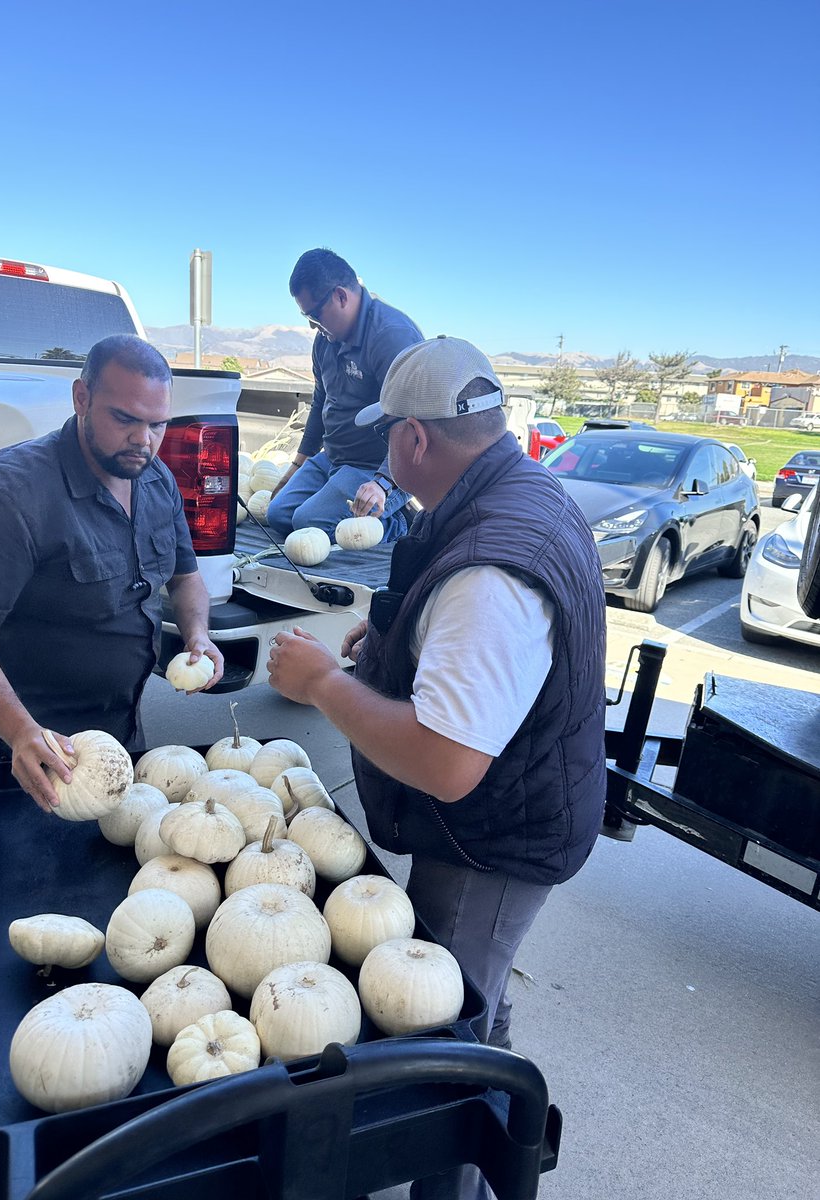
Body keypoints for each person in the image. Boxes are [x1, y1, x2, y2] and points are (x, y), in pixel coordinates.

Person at [266, 337, 606, 1198]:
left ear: (415, 439)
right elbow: (461, 645)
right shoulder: (511, 490)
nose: (384, 447)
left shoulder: (493, 565)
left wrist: (326, 686)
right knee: (466, 1000)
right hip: (517, 804)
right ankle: (479, 1062)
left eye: (389, 433)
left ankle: (451, 1176)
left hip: (494, 837)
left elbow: (448, 760)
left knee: (438, 1038)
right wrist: (394, 643)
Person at [0, 335, 224, 815]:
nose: (144, 440)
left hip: (122, 728)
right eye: (125, 419)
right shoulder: (7, 497)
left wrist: (197, 635)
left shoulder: (154, 477)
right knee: (39, 874)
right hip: (36, 742)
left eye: (157, 424)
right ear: (81, 398)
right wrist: (23, 734)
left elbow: (186, 576)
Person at [266, 248, 423, 541]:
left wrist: (384, 483)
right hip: (334, 458)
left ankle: (401, 524)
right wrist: (297, 465)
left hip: (379, 468)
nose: (312, 325)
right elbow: (320, 403)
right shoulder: (325, 341)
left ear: (340, 296)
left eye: (314, 314)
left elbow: (416, 419)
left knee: (306, 522)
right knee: (278, 514)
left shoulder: (391, 336)